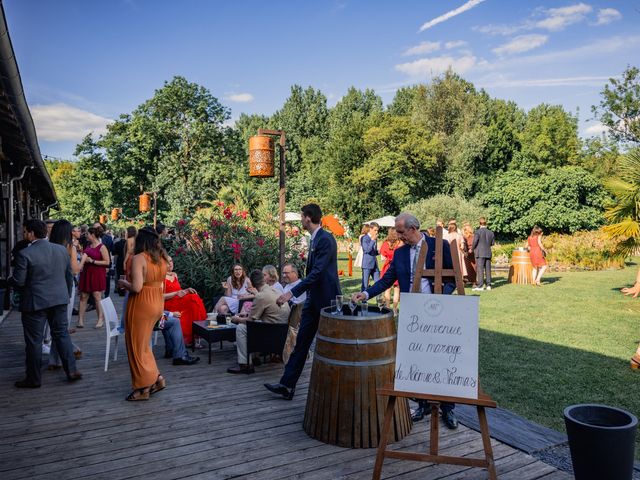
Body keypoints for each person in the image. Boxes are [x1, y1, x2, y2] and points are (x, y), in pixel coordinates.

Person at [351, 213, 458, 430]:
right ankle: (422, 404)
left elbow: (453, 277)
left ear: (413, 228)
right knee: (416, 359)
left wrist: (442, 299)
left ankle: (448, 408)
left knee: (442, 359)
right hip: (414, 314)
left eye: (401, 232)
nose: (398, 236)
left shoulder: (440, 245)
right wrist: (366, 293)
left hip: (439, 312)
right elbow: (387, 280)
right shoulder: (400, 254)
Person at [265, 203, 341, 400]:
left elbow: (317, 273)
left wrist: (291, 293)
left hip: (327, 302)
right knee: (301, 344)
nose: (300, 220)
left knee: (331, 346)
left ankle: (334, 390)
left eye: (301, 216)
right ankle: (287, 385)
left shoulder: (325, 239)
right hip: (313, 301)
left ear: (308, 218)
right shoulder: (315, 239)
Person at [10, 219, 82, 388]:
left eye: (25, 231)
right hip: (59, 300)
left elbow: (19, 282)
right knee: (62, 335)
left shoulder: (25, 254)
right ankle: (71, 370)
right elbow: (68, 276)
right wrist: (65, 294)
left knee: (34, 342)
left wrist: (9, 280)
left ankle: (33, 379)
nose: (23, 234)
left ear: (31, 233)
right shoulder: (60, 250)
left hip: (35, 302)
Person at [118, 227, 168, 401]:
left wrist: (123, 282)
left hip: (141, 304)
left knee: (135, 346)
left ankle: (142, 388)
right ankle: (157, 379)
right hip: (157, 302)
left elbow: (137, 287)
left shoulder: (139, 258)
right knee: (144, 345)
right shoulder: (162, 258)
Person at [227, 269, 290, 374]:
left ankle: (245, 364)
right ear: (264, 280)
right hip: (282, 333)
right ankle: (255, 358)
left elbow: (250, 321)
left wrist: (236, 319)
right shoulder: (276, 291)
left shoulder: (260, 296)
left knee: (241, 328)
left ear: (252, 283)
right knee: (256, 325)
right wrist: (247, 315)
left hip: (272, 335)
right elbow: (265, 314)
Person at [48, 220, 83, 368]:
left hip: (49, 288)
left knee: (54, 325)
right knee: (62, 325)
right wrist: (84, 260)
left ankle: (54, 359)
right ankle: (61, 359)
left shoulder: (48, 246)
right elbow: (75, 270)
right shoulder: (69, 247)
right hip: (65, 288)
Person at [164, 256, 207, 346]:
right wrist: (176, 293)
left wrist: (187, 290)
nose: (171, 263)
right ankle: (191, 337)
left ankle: (194, 336)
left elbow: (179, 290)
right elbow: (159, 297)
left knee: (194, 298)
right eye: (167, 262)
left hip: (178, 300)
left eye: (171, 261)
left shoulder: (174, 275)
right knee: (193, 300)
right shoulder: (160, 277)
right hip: (168, 303)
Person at [77, 226, 110, 328]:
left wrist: (93, 261)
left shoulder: (102, 247)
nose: (86, 235)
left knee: (97, 296)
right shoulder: (88, 245)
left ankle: (100, 319)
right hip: (87, 273)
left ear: (93, 235)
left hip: (97, 273)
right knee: (83, 296)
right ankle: (80, 320)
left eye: (88, 234)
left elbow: (107, 262)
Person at [379, 227, 402, 312]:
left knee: (387, 289)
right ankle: (395, 310)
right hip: (397, 267)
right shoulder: (400, 243)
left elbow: (383, 257)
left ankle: (388, 308)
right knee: (397, 290)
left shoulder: (385, 244)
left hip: (387, 267)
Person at [472, 217, 495, 292]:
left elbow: (475, 242)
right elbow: (492, 243)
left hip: (480, 252)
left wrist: (472, 249)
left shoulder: (477, 232)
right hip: (488, 252)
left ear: (479, 223)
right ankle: (488, 285)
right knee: (488, 269)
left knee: (480, 269)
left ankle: (480, 286)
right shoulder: (491, 232)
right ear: (486, 223)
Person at [94, 222, 113, 298]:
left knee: (106, 279)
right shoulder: (91, 237)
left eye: (98, 228)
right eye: (94, 228)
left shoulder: (108, 238)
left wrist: (108, 264)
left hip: (105, 262)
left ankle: (106, 295)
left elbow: (111, 250)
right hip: (95, 262)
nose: (96, 229)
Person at [361, 221, 380, 290]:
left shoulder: (375, 238)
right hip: (367, 264)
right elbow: (367, 250)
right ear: (370, 229)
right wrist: (372, 240)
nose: (376, 232)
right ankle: (364, 300)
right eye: (375, 230)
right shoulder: (364, 238)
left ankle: (379, 300)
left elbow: (373, 251)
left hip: (375, 264)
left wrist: (379, 252)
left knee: (378, 283)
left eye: (377, 230)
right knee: (365, 284)